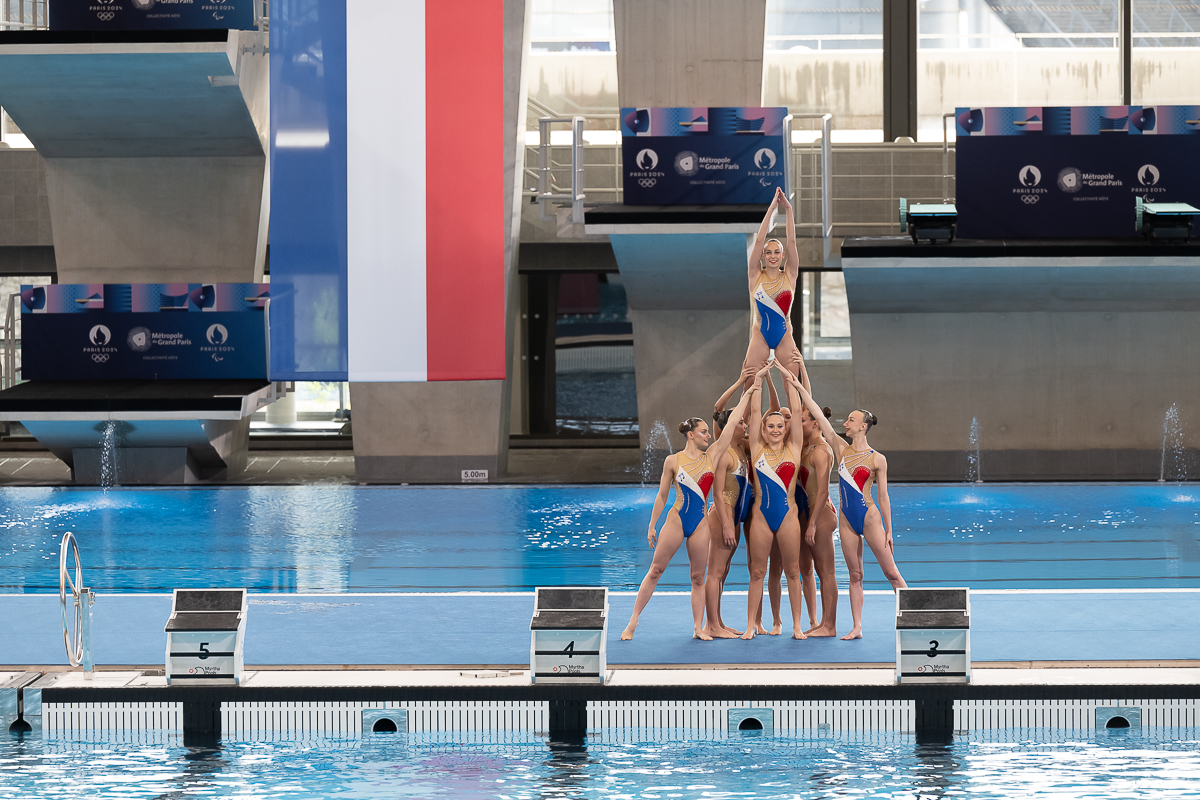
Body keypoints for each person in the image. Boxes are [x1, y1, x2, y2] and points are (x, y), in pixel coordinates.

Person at [620, 383, 758, 641]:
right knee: (656, 570)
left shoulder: (712, 457)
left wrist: (748, 391)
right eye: (704, 432)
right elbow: (662, 496)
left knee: (698, 577)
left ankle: (698, 628)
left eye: (709, 432)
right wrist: (652, 525)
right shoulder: (673, 461)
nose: (709, 435)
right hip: (676, 519)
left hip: (700, 523)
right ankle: (633, 621)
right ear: (691, 435)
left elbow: (730, 426)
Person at [790, 376, 908, 640]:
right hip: (846, 520)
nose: (846, 423)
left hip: (869, 517)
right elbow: (819, 416)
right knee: (855, 575)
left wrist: (889, 530)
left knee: (891, 572)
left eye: (852, 420)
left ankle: (915, 618)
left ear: (863, 427)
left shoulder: (877, 459)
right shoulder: (841, 450)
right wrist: (799, 388)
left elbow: (884, 496)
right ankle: (856, 627)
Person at [741, 361, 808, 640]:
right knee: (757, 572)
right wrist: (757, 381)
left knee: (793, 572)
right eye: (771, 426)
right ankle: (749, 626)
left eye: (780, 425)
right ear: (764, 429)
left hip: (788, 516)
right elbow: (755, 412)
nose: (776, 429)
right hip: (761, 517)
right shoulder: (756, 449)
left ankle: (796, 626)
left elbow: (795, 410)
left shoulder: (794, 448)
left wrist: (790, 380)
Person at [701, 382, 755, 639]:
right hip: (722, 515)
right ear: (730, 426)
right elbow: (718, 493)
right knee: (715, 571)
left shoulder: (741, 449)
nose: (745, 425)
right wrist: (725, 524)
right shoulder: (722, 453)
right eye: (741, 423)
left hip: (733, 517)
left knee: (724, 571)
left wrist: (755, 386)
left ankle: (718, 622)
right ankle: (711, 625)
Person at [741, 187, 802, 384]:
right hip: (760, 334)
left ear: (782, 256)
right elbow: (759, 240)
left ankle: (798, 415)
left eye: (777, 252)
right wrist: (772, 209)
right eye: (769, 252)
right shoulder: (755, 275)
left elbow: (791, 242)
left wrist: (789, 209)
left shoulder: (790, 275)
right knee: (749, 384)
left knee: (793, 386)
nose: (773, 256)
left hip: (785, 335)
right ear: (763, 256)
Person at [798, 403, 839, 636]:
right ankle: (819, 622)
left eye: (803, 420)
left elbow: (822, 491)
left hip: (820, 514)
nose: (798, 423)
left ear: (815, 423)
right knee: (811, 569)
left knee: (826, 572)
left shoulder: (822, 450)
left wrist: (812, 523)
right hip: (808, 512)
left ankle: (830, 626)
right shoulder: (806, 446)